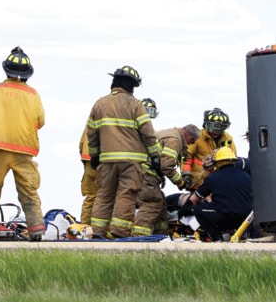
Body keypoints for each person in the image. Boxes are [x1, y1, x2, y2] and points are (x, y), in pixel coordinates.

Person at [0, 46, 46, 242]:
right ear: (27, 74)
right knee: (29, 191)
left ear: (6, 70)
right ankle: (36, 230)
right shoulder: (34, 94)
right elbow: (40, 121)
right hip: (24, 149)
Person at [87, 65, 160, 238]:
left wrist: (95, 156)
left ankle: (97, 232)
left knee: (104, 195)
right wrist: (155, 155)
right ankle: (119, 233)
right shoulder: (135, 105)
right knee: (126, 196)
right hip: (131, 162)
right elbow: (148, 133)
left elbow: (92, 133)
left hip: (106, 160)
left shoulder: (99, 104)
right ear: (131, 85)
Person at [78, 98, 159, 226]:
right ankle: (110, 230)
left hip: (93, 159)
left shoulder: (103, 115)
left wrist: (89, 158)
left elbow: (84, 141)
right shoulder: (139, 126)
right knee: (117, 196)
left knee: (93, 196)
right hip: (112, 161)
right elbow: (149, 146)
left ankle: (85, 228)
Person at [132, 124, 199, 236]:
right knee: (152, 204)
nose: (190, 145)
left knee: (162, 206)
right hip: (146, 175)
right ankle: (139, 237)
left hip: (142, 173)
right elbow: (166, 166)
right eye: (191, 142)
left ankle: (161, 236)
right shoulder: (175, 140)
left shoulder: (169, 133)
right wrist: (180, 182)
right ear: (190, 137)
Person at [179, 146, 252, 241]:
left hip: (227, 217)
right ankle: (249, 235)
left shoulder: (213, 178)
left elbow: (194, 199)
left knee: (198, 210)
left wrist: (184, 209)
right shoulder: (246, 176)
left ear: (217, 162)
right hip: (247, 217)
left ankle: (217, 239)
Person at [183, 107, 237, 189]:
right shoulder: (198, 137)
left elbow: (232, 159)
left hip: (220, 183)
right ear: (206, 124)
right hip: (199, 183)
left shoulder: (228, 138)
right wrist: (186, 175)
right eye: (213, 129)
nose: (216, 132)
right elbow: (186, 157)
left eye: (220, 129)